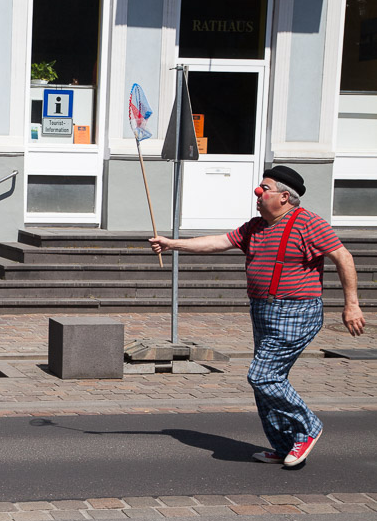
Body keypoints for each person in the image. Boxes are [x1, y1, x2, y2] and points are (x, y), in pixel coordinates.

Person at [149, 166, 366, 467]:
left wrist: (351, 304)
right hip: (262, 310)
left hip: (296, 311)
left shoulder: (308, 224)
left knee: (262, 375)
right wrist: (173, 244)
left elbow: (343, 256)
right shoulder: (255, 226)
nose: (258, 194)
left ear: (285, 196)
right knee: (268, 381)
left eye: (264, 189)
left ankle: (308, 427)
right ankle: (283, 445)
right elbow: (219, 242)